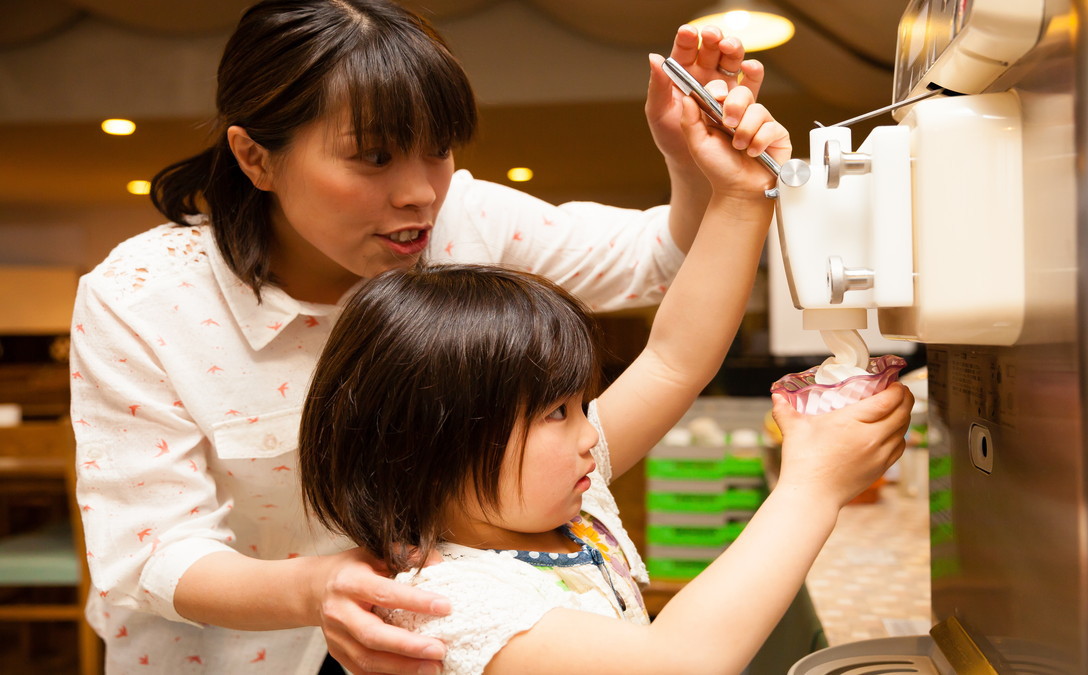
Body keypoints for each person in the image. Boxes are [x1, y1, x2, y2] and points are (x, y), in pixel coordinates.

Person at [68, 1, 766, 673]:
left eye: (437, 151)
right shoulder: (142, 298)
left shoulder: (465, 219)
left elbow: (659, 268)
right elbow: (153, 547)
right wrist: (319, 588)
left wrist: (692, 161)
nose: (421, 194)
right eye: (373, 158)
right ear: (256, 158)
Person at [298, 77, 914, 675]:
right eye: (555, 414)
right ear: (433, 446)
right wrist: (814, 485)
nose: (591, 435)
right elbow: (672, 663)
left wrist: (741, 196)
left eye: (580, 407)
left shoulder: (555, 504)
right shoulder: (451, 605)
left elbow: (675, 359)